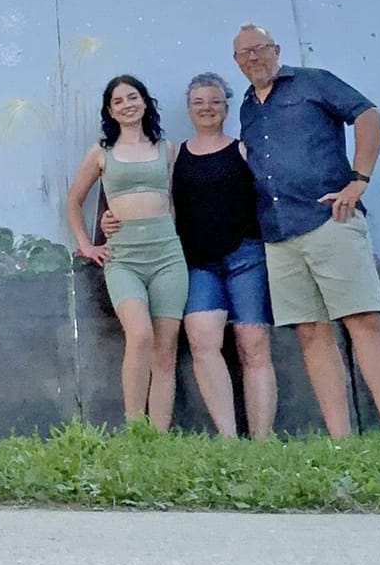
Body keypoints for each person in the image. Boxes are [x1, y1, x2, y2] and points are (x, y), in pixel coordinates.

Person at [231, 23, 380, 437]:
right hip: (278, 234)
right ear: (237, 63)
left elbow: (369, 114)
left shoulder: (313, 82)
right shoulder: (246, 108)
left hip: (330, 220)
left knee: (363, 320)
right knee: (310, 332)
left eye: (259, 48)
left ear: (276, 49)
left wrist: (358, 180)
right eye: (244, 54)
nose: (253, 58)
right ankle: (340, 440)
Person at [106, 71, 277, 438]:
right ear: (188, 109)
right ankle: (229, 438)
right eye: (199, 102)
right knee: (202, 340)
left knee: (253, 344)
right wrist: (108, 220)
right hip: (197, 261)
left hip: (246, 257)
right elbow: (152, 197)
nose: (207, 109)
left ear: (227, 107)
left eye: (215, 101)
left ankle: (263, 441)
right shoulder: (175, 154)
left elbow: (270, 197)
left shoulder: (244, 149)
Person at [65, 74, 187, 430]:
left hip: (167, 254)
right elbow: (74, 200)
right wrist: (88, 245)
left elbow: (176, 200)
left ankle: (158, 437)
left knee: (166, 349)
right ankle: (135, 428)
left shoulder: (167, 148)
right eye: (118, 101)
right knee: (140, 335)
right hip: (123, 258)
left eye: (133, 97)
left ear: (145, 102)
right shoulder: (101, 152)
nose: (127, 105)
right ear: (110, 111)